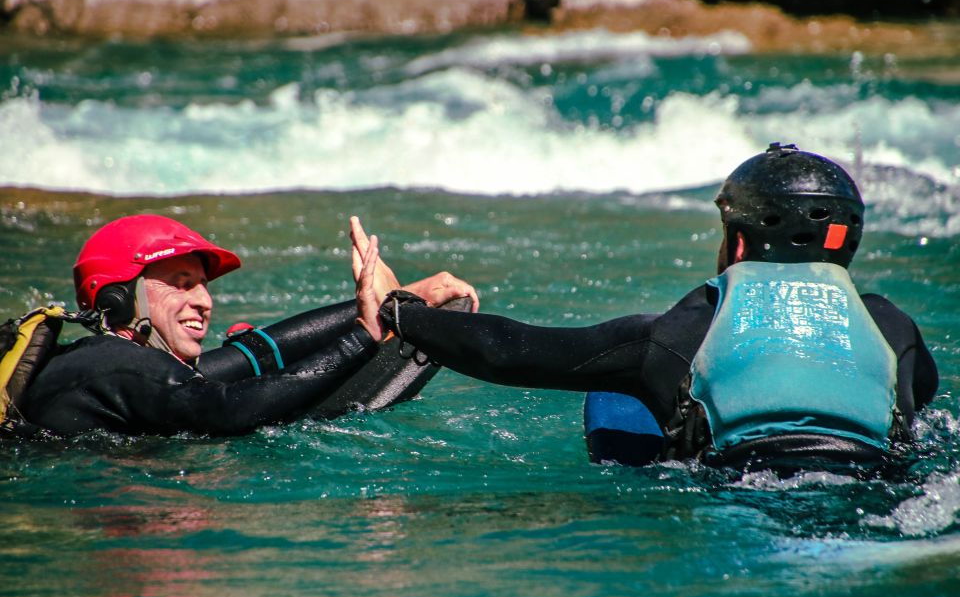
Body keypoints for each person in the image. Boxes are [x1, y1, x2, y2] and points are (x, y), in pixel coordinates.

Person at [353, 143, 939, 471]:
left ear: (737, 241)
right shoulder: (893, 328)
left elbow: (516, 353)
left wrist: (399, 311)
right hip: (878, 491)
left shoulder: (691, 326)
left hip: (748, 492)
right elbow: (923, 398)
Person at [21, 214, 477, 437]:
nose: (203, 300)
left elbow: (253, 355)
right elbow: (228, 410)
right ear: (117, 301)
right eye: (181, 285)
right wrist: (362, 339)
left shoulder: (118, 363)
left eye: (202, 284)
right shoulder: (119, 368)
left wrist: (396, 301)